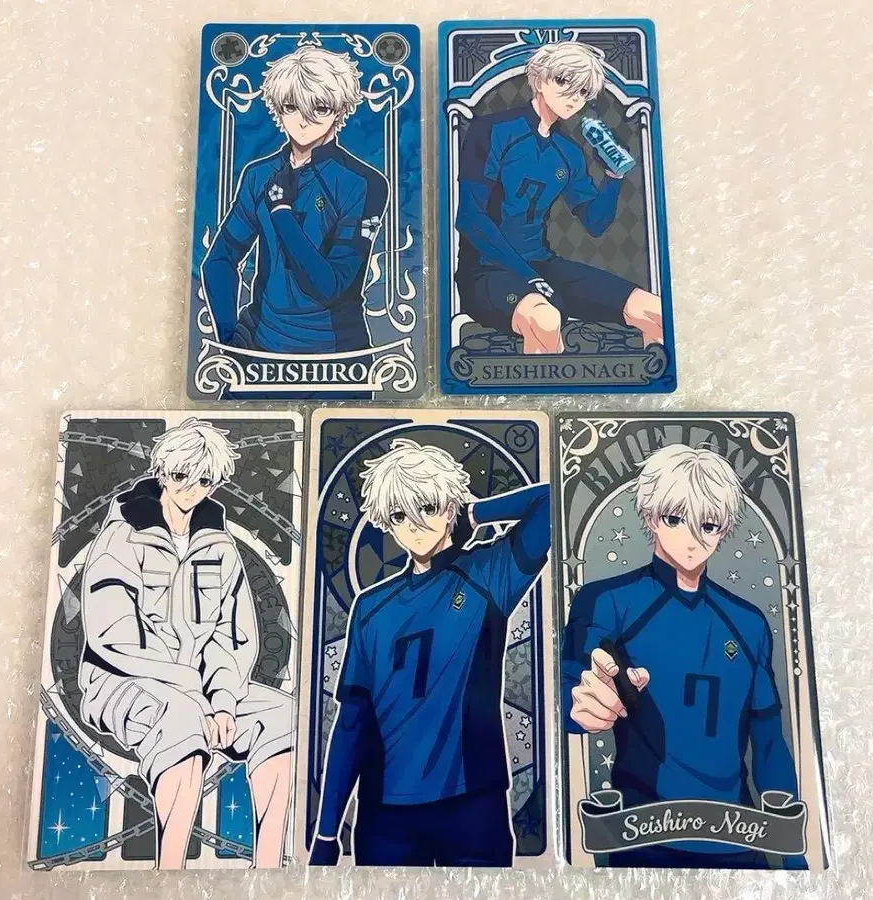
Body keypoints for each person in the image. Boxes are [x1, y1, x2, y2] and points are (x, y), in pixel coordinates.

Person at [309, 439, 550, 866]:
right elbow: (351, 724)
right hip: (386, 814)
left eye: (429, 507)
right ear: (386, 522)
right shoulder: (371, 607)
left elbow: (552, 501)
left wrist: (473, 513)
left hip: (471, 803)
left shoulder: (488, 573)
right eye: (399, 514)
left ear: (450, 505)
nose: (415, 525)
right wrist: (327, 833)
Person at [561, 444, 802, 868]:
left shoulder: (748, 623)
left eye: (708, 525)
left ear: (724, 529)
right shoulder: (607, 602)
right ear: (651, 517)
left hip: (738, 838)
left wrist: (792, 853)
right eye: (675, 519)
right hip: (640, 837)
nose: (692, 539)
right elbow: (571, 686)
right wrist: (581, 701)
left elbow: (768, 739)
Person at [78, 418, 294, 869]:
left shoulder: (220, 546)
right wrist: (193, 693)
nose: (190, 489)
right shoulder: (121, 536)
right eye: (180, 475)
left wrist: (224, 701)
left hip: (201, 687)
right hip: (117, 682)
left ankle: (268, 867)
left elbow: (230, 636)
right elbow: (114, 634)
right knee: (181, 719)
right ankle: (170, 873)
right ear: (161, 472)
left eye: (204, 480)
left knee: (283, 716)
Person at [455, 41, 662, 354]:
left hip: (542, 264)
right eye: (564, 81)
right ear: (539, 80)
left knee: (653, 310)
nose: (573, 97)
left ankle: (653, 370)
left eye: (583, 91)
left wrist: (613, 177)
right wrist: (529, 278)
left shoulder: (568, 152)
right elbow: (470, 218)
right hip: (487, 270)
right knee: (545, 319)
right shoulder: (494, 130)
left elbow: (595, 223)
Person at [201, 46, 388, 355]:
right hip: (258, 348)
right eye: (291, 107)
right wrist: (229, 340)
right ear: (277, 108)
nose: (303, 121)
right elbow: (219, 260)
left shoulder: (363, 183)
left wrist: (281, 212)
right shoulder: (259, 176)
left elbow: (330, 286)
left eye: (320, 108)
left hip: (337, 357)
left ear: (340, 110)